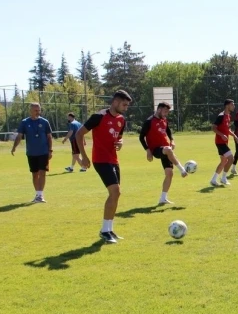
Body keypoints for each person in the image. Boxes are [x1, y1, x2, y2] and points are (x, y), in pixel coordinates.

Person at [76, 90, 132, 243]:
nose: (126, 108)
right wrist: (84, 156)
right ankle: (104, 230)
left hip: (114, 160)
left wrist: (120, 143)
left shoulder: (121, 120)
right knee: (115, 191)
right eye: (124, 104)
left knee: (116, 194)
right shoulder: (99, 116)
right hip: (100, 160)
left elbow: (119, 138)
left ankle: (109, 229)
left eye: (127, 105)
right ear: (115, 102)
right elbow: (79, 134)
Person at [139, 102, 188, 205]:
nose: (166, 114)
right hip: (156, 149)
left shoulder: (164, 119)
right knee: (168, 150)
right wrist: (148, 151)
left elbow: (168, 131)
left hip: (166, 149)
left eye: (167, 112)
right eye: (165, 111)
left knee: (169, 173)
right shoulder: (149, 121)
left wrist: (172, 140)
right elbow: (141, 137)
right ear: (159, 109)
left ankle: (163, 198)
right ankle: (182, 169)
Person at [10, 103, 53, 203]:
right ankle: (37, 194)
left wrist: (50, 150)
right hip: (31, 153)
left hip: (43, 152)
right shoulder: (25, 122)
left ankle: (40, 195)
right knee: (35, 174)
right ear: (30, 111)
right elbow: (19, 136)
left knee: (42, 173)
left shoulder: (45, 122)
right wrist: (14, 147)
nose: (38, 112)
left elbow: (49, 137)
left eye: (39, 110)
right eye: (35, 110)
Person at [210, 99, 238, 187]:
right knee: (231, 159)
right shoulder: (221, 116)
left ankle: (213, 179)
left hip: (224, 142)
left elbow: (227, 129)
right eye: (232, 105)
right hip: (220, 142)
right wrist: (222, 135)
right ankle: (223, 178)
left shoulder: (228, 116)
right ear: (227, 106)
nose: (233, 106)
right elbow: (213, 127)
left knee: (223, 161)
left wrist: (234, 135)